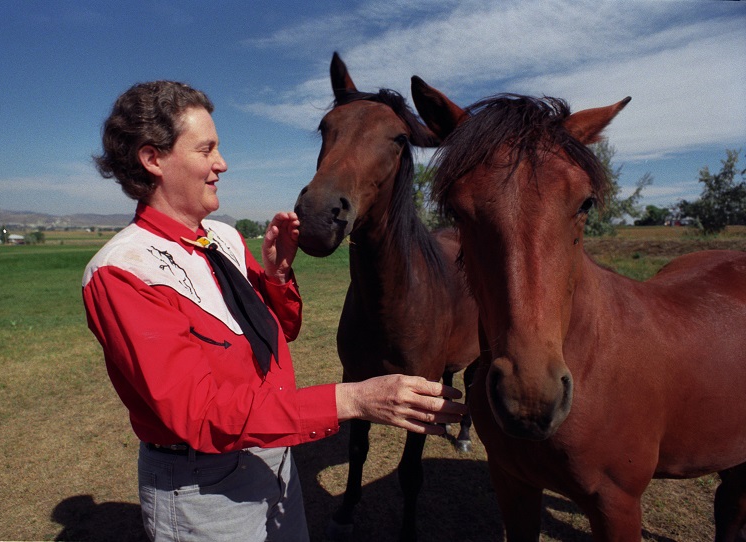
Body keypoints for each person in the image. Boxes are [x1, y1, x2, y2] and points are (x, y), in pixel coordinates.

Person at [82, 80, 468, 542]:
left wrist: (277, 277)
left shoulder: (222, 238)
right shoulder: (124, 271)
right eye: (206, 150)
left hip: (275, 459)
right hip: (204, 487)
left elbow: (284, 329)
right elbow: (198, 414)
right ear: (153, 159)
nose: (221, 164)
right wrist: (353, 399)